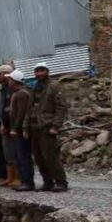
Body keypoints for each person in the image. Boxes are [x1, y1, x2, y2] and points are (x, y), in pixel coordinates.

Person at [29, 62, 70, 192]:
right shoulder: (35, 87)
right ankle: (48, 182)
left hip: (48, 126)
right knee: (39, 157)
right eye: (37, 71)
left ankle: (61, 182)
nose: (39, 73)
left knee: (51, 156)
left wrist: (56, 126)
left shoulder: (54, 86)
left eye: (42, 71)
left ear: (47, 71)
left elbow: (61, 107)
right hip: (35, 127)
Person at [6, 69, 36, 192]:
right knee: (20, 156)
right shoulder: (17, 93)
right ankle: (24, 180)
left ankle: (28, 182)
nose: (8, 82)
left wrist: (15, 128)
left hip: (21, 130)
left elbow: (21, 113)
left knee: (23, 156)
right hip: (18, 129)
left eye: (10, 80)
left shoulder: (22, 94)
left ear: (15, 81)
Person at [0, 63, 20, 187]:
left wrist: (6, 124)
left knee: (15, 151)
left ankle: (18, 177)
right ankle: (10, 177)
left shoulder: (11, 89)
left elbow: (10, 109)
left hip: (11, 124)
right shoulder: (3, 89)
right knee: (7, 152)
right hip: (4, 124)